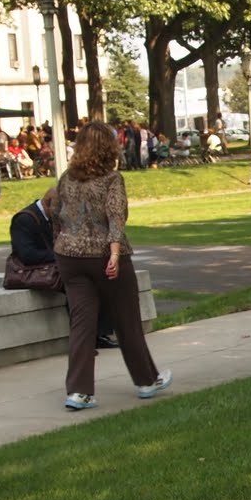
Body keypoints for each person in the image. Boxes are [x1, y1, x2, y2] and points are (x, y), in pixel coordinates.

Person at [49, 120, 170, 411]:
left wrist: (62, 241)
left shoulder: (67, 178)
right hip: (103, 255)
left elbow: (55, 212)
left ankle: (79, 391)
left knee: (81, 324)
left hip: (70, 256)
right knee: (126, 320)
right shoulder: (112, 179)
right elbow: (116, 215)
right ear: (109, 147)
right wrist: (114, 254)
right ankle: (146, 380)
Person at [10, 188, 118, 350]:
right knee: (80, 288)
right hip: (36, 271)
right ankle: (83, 341)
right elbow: (27, 254)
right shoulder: (24, 219)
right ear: (48, 204)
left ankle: (99, 334)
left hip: (58, 266)